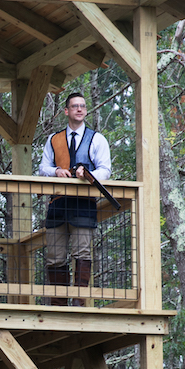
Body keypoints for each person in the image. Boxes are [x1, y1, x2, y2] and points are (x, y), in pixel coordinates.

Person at [38, 91, 112, 306]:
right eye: (75, 106)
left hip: (83, 205)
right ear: (66, 111)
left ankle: (79, 301)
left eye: (82, 106)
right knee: (54, 255)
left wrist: (86, 175)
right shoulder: (53, 140)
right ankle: (58, 303)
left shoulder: (97, 139)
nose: (79, 109)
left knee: (82, 251)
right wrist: (56, 172)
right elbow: (43, 168)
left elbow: (105, 170)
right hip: (57, 203)